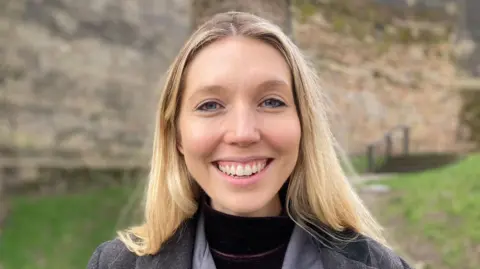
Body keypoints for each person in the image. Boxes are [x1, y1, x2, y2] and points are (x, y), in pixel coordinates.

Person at [87, 11, 412, 269]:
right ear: (177, 136)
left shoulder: (381, 266)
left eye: (271, 102)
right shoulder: (115, 265)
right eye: (210, 105)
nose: (243, 133)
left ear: (304, 126)